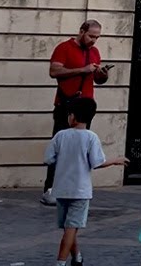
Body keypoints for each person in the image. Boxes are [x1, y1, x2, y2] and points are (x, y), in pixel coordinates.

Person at [43, 97, 128, 266]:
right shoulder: (91, 137)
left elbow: (48, 159)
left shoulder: (60, 135)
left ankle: (77, 258)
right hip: (80, 191)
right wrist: (115, 160)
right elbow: (97, 162)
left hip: (61, 189)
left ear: (72, 116)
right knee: (71, 228)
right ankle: (60, 262)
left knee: (68, 227)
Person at [43, 20, 112, 206]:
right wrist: (83, 69)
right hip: (66, 103)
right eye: (91, 36)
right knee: (60, 144)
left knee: (82, 148)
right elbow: (54, 71)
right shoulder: (64, 48)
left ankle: (74, 189)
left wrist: (102, 74)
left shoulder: (95, 52)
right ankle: (50, 188)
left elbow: (98, 79)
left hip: (85, 105)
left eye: (97, 37)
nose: (93, 41)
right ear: (81, 31)